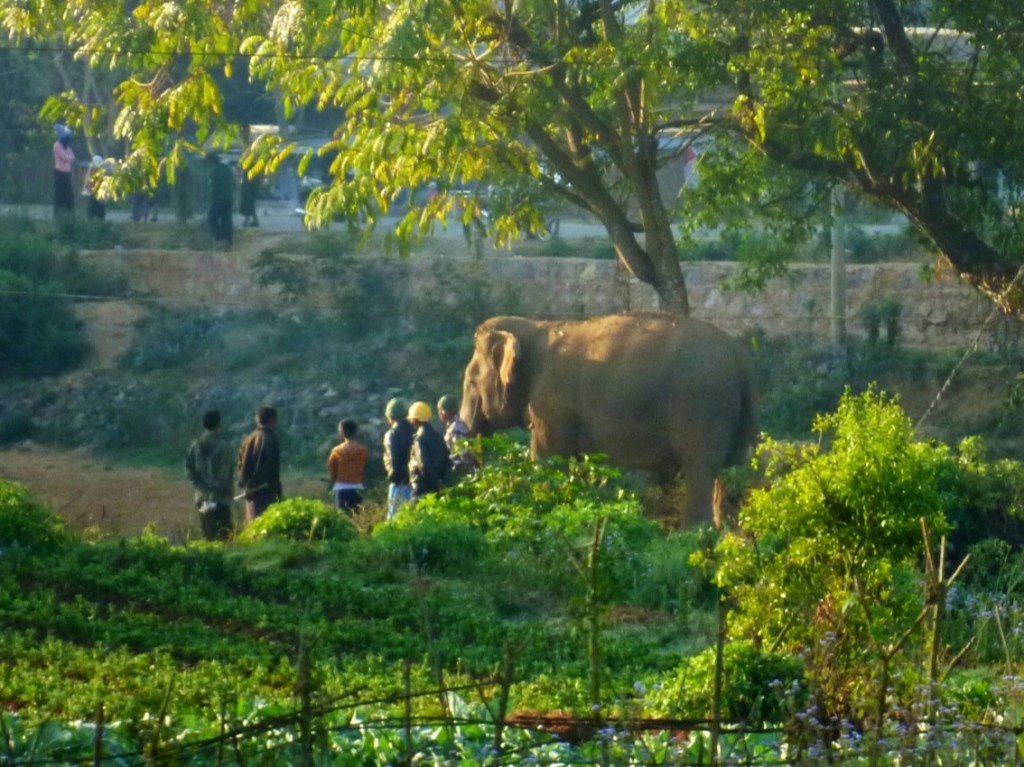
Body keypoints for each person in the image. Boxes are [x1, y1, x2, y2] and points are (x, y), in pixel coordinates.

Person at [185, 410, 235, 541]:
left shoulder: (194, 446)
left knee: (207, 535)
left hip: (202, 499)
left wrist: (203, 490)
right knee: (223, 537)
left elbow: (190, 473)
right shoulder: (224, 447)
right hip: (220, 499)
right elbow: (224, 475)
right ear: (219, 424)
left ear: (203, 424)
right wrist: (215, 493)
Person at [237, 405, 282, 524]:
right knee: (267, 526)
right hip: (266, 491)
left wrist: (247, 485)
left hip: (251, 492)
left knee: (253, 525)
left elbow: (240, 464)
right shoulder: (271, 439)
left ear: (258, 420)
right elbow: (270, 468)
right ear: (273, 420)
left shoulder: (248, 439)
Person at [407, 401, 451, 500]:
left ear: (415, 420)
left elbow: (424, 465)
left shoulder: (419, 439)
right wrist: (441, 482)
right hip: (440, 486)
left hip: (423, 487)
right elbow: (446, 459)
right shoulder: (438, 436)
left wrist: (434, 482)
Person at [327, 418, 369, 514]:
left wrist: (333, 480)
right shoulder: (363, 450)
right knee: (357, 518)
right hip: (357, 487)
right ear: (356, 432)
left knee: (342, 519)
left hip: (341, 488)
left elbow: (332, 469)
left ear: (342, 433)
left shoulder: (336, 451)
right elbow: (364, 465)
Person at [382, 398, 414, 519]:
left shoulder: (392, 434)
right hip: (414, 481)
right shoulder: (415, 429)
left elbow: (394, 460)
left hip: (399, 482)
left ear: (390, 416)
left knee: (394, 519)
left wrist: (391, 476)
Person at [436, 394, 475, 475]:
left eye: (442, 410)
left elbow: (463, 452)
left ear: (451, 410)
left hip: (459, 471)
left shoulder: (456, 428)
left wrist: (466, 471)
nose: (439, 413)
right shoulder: (451, 426)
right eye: (438, 410)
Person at [206, 151, 234, 248]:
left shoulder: (213, 171)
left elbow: (214, 188)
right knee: (226, 220)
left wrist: (212, 199)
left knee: (211, 218)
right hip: (230, 198)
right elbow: (234, 184)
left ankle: (220, 238)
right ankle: (229, 242)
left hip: (219, 199)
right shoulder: (227, 168)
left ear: (210, 161)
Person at [52, 123, 75, 217]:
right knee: (59, 195)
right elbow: (65, 157)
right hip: (59, 173)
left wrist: (69, 157)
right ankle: (57, 215)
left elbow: (73, 157)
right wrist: (69, 157)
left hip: (67, 173)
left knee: (69, 195)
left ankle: (69, 215)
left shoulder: (68, 147)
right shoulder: (57, 145)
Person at [82, 155, 107, 220]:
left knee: (101, 207)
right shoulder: (90, 172)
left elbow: (102, 181)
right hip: (90, 192)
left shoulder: (101, 172)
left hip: (98, 193)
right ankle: (90, 218)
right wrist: (90, 189)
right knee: (91, 207)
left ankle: (100, 218)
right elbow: (87, 183)